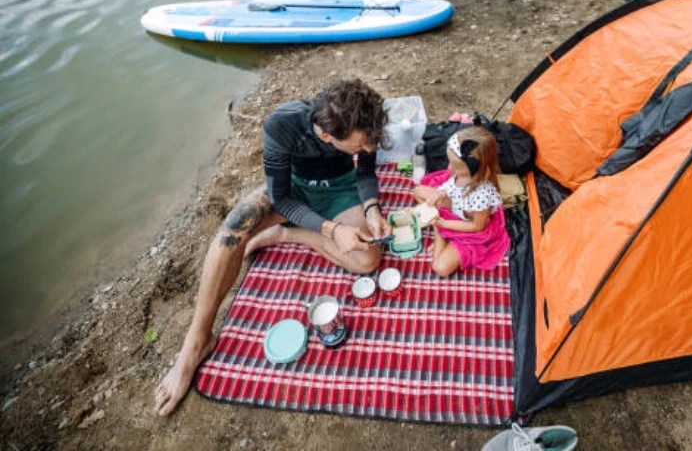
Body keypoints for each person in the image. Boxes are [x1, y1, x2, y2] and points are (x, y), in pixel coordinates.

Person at [154, 79, 392, 416]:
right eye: (359, 146)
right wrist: (333, 229)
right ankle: (197, 341)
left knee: (369, 259)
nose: (368, 149)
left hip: (338, 190)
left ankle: (284, 236)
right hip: (292, 192)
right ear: (326, 135)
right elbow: (280, 196)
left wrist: (371, 209)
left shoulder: (360, 119)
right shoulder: (283, 124)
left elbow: (366, 172)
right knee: (231, 231)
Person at [413, 127, 510, 276]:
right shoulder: (462, 175)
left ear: (478, 169)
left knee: (440, 268)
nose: (449, 169)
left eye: (457, 166)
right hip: (457, 206)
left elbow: (477, 226)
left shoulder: (481, 194)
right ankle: (441, 228)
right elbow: (452, 187)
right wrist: (440, 194)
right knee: (418, 191)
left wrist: (442, 224)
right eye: (450, 162)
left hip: (470, 229)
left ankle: (440, 233)